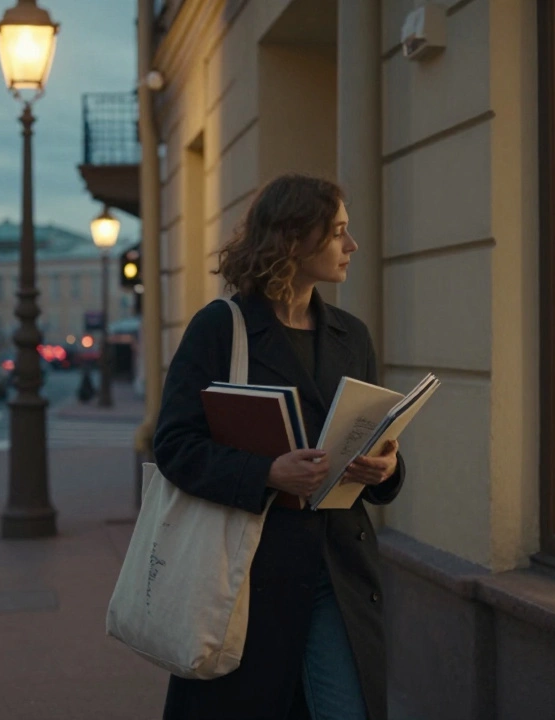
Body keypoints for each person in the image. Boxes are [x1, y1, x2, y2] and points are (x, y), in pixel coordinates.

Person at [153, 174, 404, 720]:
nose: (351, 246)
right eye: (337, 232)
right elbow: (172, 444)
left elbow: (373, 436)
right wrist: (267, 472)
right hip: (244, 578)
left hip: (338, 573)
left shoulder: (351, 335)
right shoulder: (222, 329)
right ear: (293, 239)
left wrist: (385, 467)